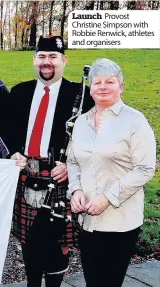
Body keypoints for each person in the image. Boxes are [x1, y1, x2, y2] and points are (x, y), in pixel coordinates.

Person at [0, 35, 95, 287]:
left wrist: (72, 166)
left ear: (64, 60)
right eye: (41, 57)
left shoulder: (80, 96)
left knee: (58, 243)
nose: (46, 62)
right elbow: (2, 131)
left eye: (53, 57)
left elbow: (94, 140)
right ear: (34, 60)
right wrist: (13, 152)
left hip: (59, 177)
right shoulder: (20, 92)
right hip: (27, 174)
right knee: (29, 240)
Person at [67, 58, 156, 287]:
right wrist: (75, 189)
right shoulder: (81, 122)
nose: (103, 87)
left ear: (121, 86)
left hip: (120, 221)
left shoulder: (135, 121)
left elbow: (145, 168)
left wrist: (108, 197)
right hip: (87, 220)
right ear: (91, 88)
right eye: (97, 82)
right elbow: (73, 161)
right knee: (92, 281)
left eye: (110, 81)